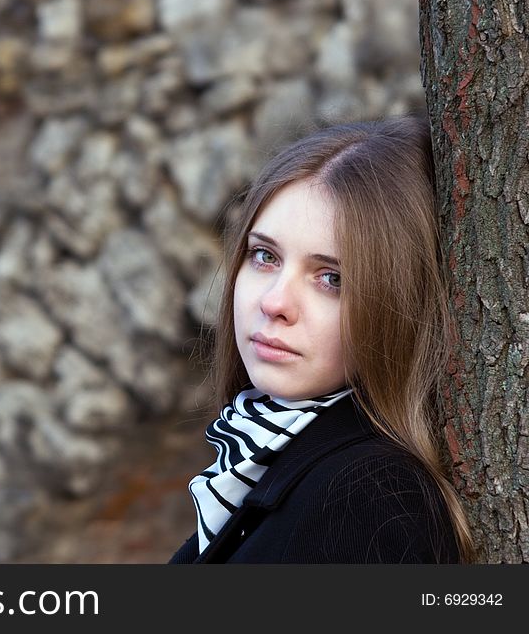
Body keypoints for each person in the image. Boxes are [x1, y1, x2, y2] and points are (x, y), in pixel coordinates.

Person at [169, 115, 475, 564]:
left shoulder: (370, 495)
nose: (275, 302)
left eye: (331, 278)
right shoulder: (267, 449)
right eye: (265, 256)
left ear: (400, 304)